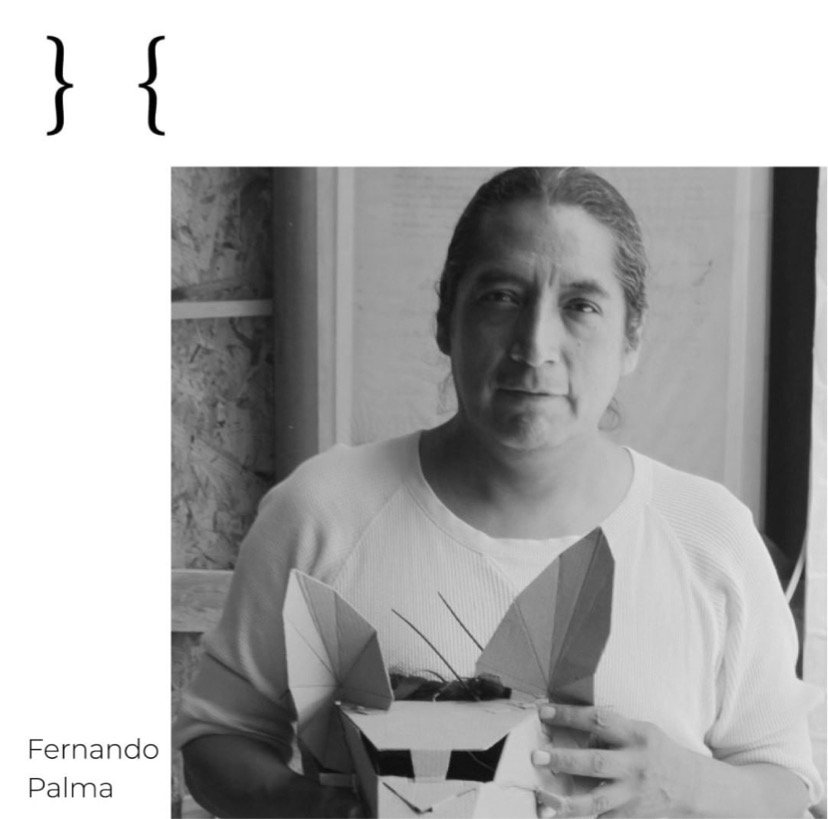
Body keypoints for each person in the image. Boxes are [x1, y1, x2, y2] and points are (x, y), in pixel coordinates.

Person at [174, 167, 822, 817]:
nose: (534, 346)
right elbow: (216, 738)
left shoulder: (711, 534)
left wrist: (687, 785)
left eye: (580, 305)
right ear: (445, 320)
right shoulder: (321, 511)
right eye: (502, 297)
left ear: (632, 337)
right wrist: (321, 812)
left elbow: (788, 783)